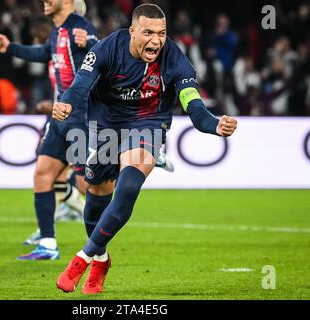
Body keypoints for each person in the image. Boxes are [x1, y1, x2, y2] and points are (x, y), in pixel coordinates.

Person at [52, 4, 238, 294]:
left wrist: (215, 125)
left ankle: (82, 259)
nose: (156, 40)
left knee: (127, 189)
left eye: (162, 33)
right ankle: (101, 259)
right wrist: (67, 102)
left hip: (147, 124)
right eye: (148, 32)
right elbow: (81, 84)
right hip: (104, 125)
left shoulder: (175, 59)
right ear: (132, 32)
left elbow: (194, 106)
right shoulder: (106, 49)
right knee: (96, 193)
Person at [0, 0, 98, 260]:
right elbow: (42, 54)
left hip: (81, 117)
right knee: (42, 174)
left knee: (89, 186)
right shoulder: (57, 32)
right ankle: (48, 245)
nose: (45, 2)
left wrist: (93, 45)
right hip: (59, 118)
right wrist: (10, 48)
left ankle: (125, 157)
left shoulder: (81, 29)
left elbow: (106, 62)